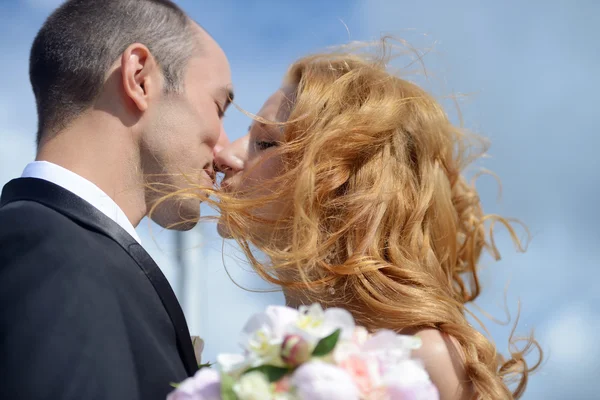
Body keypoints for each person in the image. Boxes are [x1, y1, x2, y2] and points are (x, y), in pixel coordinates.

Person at [214, 41, 541, 399]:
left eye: (264, 143)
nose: (225, 154)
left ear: (343, 183)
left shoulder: (421, 355)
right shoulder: (269, 340)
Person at [0, 1, 232, 399]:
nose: (226, 150)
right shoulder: (51, 247)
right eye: (220, 107)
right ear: (139, 78)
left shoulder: (55, 244)